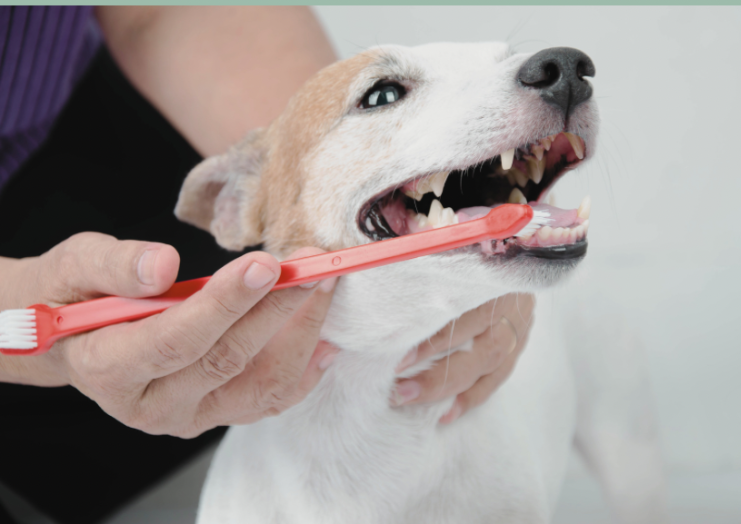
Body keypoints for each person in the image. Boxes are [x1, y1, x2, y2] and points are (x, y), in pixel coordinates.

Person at [0, 6, 535, 523]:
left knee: (234, 306)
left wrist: (299, 168)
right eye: (386, 95)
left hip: (62, 128)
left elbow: (160, 11)